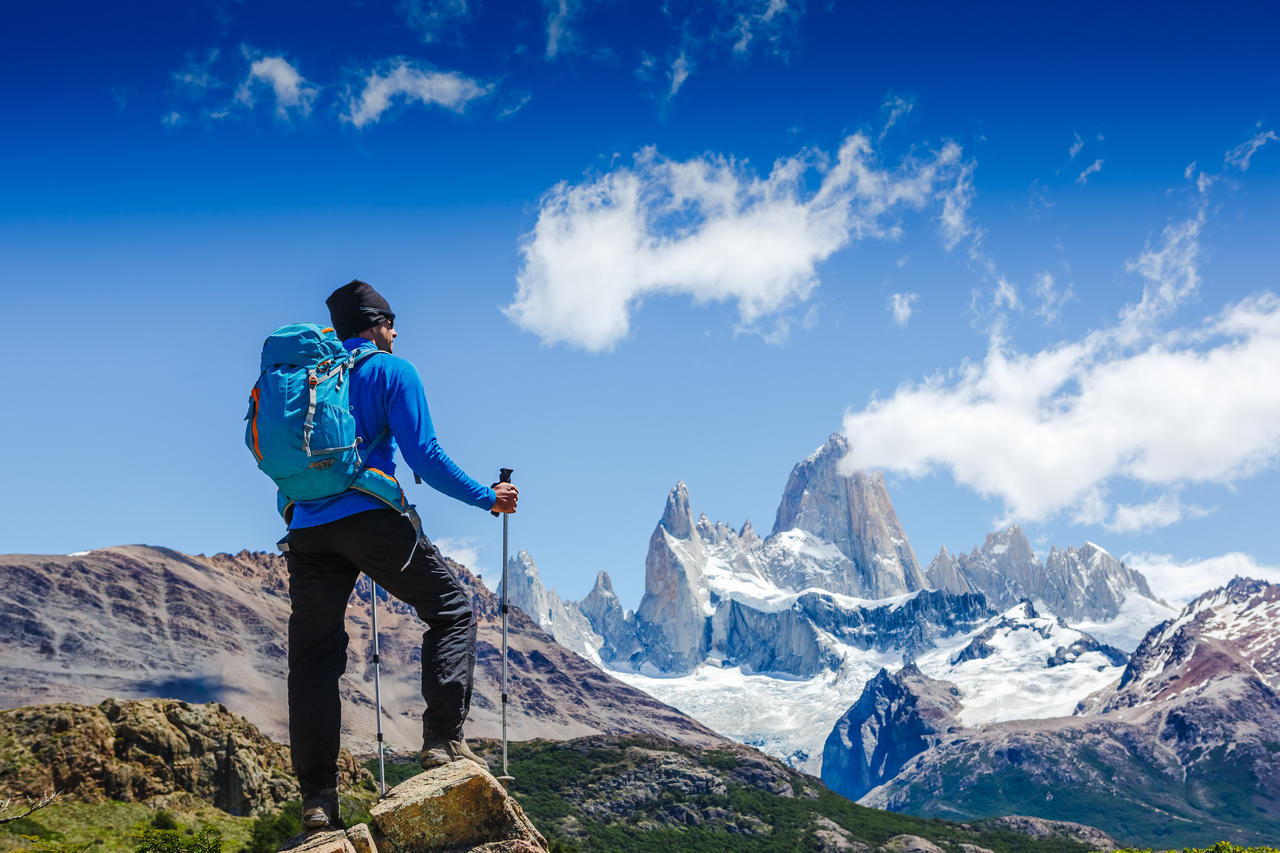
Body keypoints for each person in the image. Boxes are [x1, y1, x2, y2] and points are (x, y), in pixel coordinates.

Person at [283, 279, 518, 830]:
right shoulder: (392, 371)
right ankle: (441, 743)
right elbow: (426, 457)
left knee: (313, 661)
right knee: (452, 610)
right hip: (371, 518)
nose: (396, 332)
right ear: (375, 325)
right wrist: (489, 497)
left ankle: (318, 799)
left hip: (308, 530)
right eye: (391, 323)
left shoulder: (307, 381)